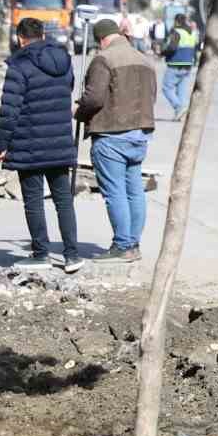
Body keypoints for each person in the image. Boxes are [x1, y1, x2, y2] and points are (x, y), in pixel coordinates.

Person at [0, 17, 81, 272]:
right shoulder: (64, 61)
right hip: (60, 141)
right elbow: (69, 88)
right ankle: (72, 255)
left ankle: (41, 253)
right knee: (63, 199)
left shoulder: (19, 64)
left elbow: (10, 110)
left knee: (33, 199)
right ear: (43, 35)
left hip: (29, 142)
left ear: (20, 38)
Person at [76, 18, 157, 261]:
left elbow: (94, 99)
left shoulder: (104, 59)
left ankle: (122, 244)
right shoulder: (144, 60)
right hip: (140, 133)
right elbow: (151, 95)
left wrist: (78, 112)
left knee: (115, 193)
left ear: (101, 39)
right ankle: (133, 245)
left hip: (111, 134)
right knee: (135, 191)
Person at [160, 13, 198, 120]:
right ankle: (180, 113)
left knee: (166, 88)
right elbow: (195, 47)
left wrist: (162, 53)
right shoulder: (192, 32)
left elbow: (172, 48)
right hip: (188, 64)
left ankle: (178, 106)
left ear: (176, 21)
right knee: (182, 89)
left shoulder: (176, 31)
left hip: (175, 63)